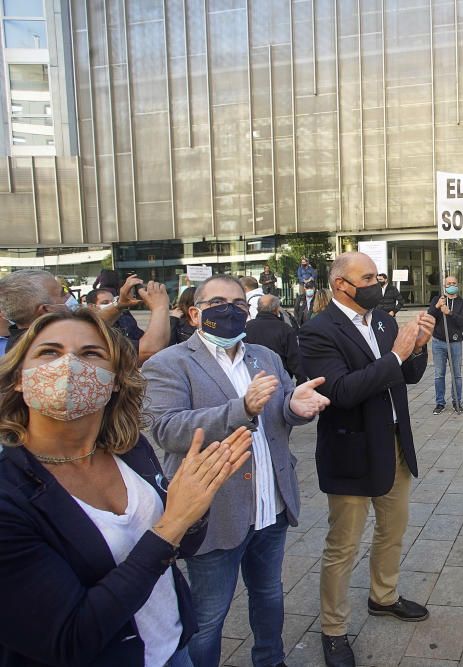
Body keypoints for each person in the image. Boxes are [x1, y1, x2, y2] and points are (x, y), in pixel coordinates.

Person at [0, 308, 253, 666]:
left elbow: (181, 544)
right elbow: (69, 638)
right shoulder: (10, 496)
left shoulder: (129, 448)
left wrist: (195, 505)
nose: (69, 366)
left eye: (90, 353)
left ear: (116, 379)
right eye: (49, 352)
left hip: (173, 647)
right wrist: (172, 525)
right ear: (19, 378)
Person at [142, 274, 330, 667]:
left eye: (238, 304)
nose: (229, 311)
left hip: (270, 505)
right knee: (209, 618)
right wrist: (240, 409)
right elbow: (168, 430)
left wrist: (294, 407)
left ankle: (271, 659)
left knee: (269, 595)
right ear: (195, 313)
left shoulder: (265, 356)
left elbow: (277, 414)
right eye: (217, 304)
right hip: (215, 512)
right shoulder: (169, 364)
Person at [298, 252, 436, 667]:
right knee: (343, 546)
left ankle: (384, 596)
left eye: (378, 274)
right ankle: (334, 630)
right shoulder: (316, 332)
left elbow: (406, 377)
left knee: (392, 530)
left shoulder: (382, 320)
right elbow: (340, 392)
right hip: (351, 453)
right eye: (368, 276)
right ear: (341, 284)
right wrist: (396, 355)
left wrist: (416, 351)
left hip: (392, 444)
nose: (378, 282)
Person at [0, 269, 169, 364]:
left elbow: (86, 324)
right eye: (62, 294)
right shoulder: (66, 343)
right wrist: (160, 306)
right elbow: (149, 350)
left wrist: (119, 305)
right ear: (45, 309)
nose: (69, 297)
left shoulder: (19, 342)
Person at [428, 275, 463, 415]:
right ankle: (440, 403)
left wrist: (449, 313)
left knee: (456, 375)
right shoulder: (438, 299)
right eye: (448, 283)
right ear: (444, 285)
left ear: (457, 285)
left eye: (454, 283)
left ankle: (456, 401)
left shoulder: (462, 303)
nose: (451, 285)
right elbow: (430, 316)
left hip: (455, 342)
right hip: (438, 342)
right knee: (439, 374)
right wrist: (437, 306)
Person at [245, 294, 306, 384]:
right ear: (277, 309)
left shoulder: (247, 327)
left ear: (258, 308)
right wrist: (302, 381)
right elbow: (294, 358)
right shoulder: (285, 329)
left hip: (253, 379)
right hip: (279, 379)